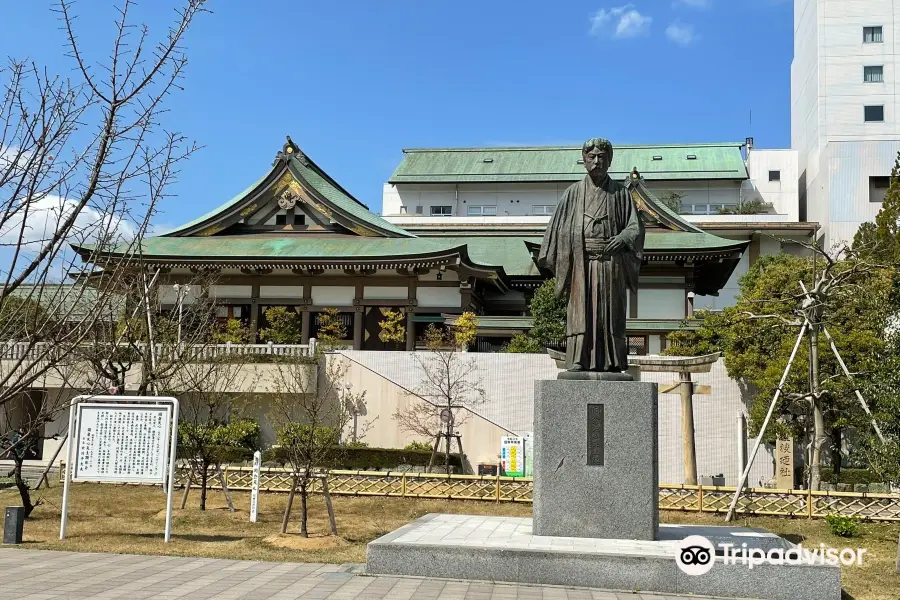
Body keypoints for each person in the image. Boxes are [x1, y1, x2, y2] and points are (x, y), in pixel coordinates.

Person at [537, 137, 644, 372]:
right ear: (584, 160)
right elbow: (557, 229)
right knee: (580, 313)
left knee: (611, 313)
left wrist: (623, 238)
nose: (596, 161)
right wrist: (574, 240)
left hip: (610, 263)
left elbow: (635, 227)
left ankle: (613, 360)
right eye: (591, 157)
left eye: (602, 157)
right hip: (581, 265)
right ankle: (578, 359)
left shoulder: (621, 194)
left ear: (609, 161)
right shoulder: (572, 193)